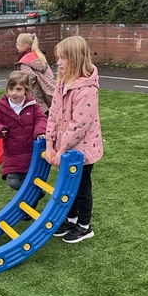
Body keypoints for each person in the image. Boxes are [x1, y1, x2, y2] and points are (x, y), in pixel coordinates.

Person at [45, 36, 103, 243]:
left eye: (63, 58)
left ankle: (85, 226)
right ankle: (71, 219)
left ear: (76, 58)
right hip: (66, 148)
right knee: (68, 186)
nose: (58, 63)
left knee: (81, 188)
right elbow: (53, 114)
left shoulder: (87, 89)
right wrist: (49, 144)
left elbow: (79, 124)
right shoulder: (62, 83)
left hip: (82, 150)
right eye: (58, 58)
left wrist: (61, 150)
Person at [0, 71, 48, 218]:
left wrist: (40, 131)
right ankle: (37, 193)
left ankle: (28, 209)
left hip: (30, 153)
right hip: (12, 153)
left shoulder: (32, 105)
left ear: (26, 90)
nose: (14, 93)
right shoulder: (2, 107)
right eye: (11, 89)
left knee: (29, 180)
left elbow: (41, 119)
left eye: (18, 89)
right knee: (13, 181)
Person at [15, 32, 56, 115]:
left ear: (24, 46)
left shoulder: (24, 62)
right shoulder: (39, 56)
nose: (16, 46)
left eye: (17, 44)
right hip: (48, 94)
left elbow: (28, 79)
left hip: (36, 98)